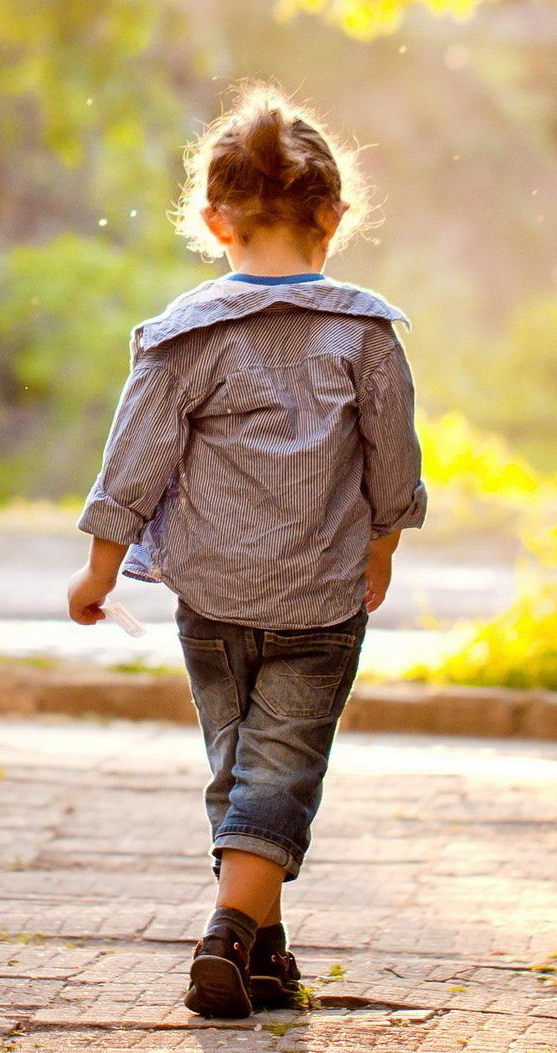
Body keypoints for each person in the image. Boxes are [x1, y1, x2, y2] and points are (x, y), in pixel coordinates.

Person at [64, 85, 426, 1018]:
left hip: (213, 599)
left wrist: (101, 571)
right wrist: (383, 544)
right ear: (333, 218)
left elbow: (131, 465)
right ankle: (229, 939)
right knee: (281, 766)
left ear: (216, 220)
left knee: (240, 767)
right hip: (321, 598)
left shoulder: (186, 337)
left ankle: (262, 955)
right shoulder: (366, 337)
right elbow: (395, 461)